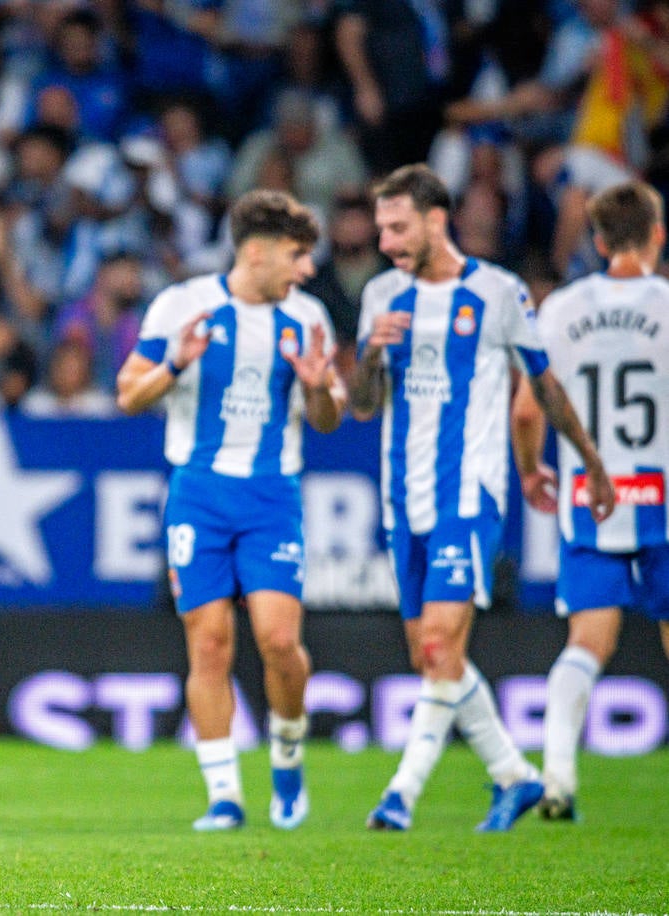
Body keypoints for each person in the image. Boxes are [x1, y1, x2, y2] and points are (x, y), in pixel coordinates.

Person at [348, 163, 615, 832]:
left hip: (469, 495)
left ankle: (399, 796)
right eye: (381, 228)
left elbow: (545, 386)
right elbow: (360, 407)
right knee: (429, 656)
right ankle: (516, 776)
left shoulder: (498, 293)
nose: (385, 241)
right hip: (399, 498)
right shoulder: (381, 293)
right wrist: (370, 359)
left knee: (439, 646)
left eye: (398, 226)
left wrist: (588, 461)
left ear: (438, 220)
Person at [115, 189, 346, 832]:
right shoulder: (182, 305)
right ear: (258, 251)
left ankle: (289, 759)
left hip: (273, 496)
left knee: (279, 640)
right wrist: (176, 363)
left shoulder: (310, 317)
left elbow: (329, 419)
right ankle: (225, 797)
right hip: (199, 494)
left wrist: (316, 384)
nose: (306, 270)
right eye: (298, 256)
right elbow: (129, 394)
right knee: (209, 645)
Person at [511, 180, 669, 821]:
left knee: (587, 641)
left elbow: (528, 411)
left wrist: (530, 471)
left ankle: (558, 778)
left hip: (590, 496)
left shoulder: (562, 309)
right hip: (663, 495)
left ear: (598, 241)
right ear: (657, 234)